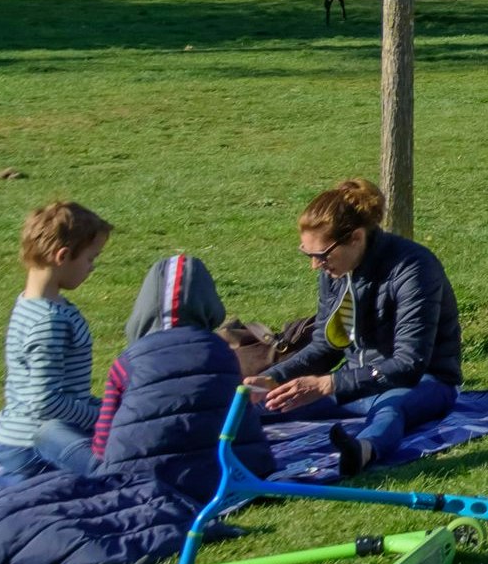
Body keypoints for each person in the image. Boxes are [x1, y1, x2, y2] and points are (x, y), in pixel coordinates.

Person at [252, 179, 464, 478]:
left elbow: (409, 364)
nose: (315, 266)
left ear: (355, 238)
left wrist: (328, 385)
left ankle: (362, 451)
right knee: (264, 406)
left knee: (391, 410)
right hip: (354, 383)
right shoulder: (335, 271)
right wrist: (270, 379)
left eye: (321, 256)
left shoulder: (414, 267)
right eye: (308, 254)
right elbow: (324, 347)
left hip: (425, 381)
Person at [0, 200, 111, 484]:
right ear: (62, 256)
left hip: (27, 437)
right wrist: (101, 418)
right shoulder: (47, 323)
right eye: (90, 258)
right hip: (33, 445)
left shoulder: (31, 305)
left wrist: (105, 408)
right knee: (107, 477)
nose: (92, 268)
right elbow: (45, 402)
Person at [90, 252, 248, 468]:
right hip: (219, 470)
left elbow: (102, 445)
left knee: (51, 432)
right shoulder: (222, 351)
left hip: (141, 473)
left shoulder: (128, 361)